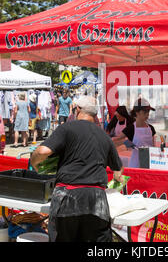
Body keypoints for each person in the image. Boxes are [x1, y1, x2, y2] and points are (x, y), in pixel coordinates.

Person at [30, 95, 124, 242]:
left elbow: (42, 152)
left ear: (77, 110)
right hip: (96, 199)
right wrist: (116, 181)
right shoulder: (104, 136)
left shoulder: (67, 128)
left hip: (67, 195)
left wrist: (34, 162)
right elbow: (118, 171)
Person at [112, 98, 156, 168]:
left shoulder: (151, 128)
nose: (147, 114)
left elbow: (154, 147)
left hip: (150, 164)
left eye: (148, 111)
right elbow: (116, 140)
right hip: (136, 165)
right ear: (137, 112)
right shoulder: (131, 128)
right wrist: (128, 144)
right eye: (145, 112)